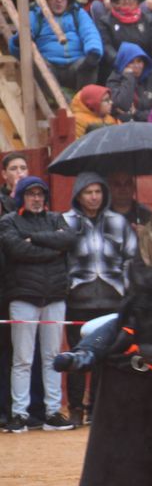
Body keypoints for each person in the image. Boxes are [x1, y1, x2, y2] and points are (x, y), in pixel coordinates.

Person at [60, 171, 138, 425]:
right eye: (88, 192)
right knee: (77, 354)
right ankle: (75, 409)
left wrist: (126, 288)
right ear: (78, 195)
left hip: (112, 299)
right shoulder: (65, 222)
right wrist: (67, 285)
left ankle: (97, 409)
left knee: (105, 356)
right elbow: (59, 259)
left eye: (98, 192)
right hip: (78, 299)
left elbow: (132, 257)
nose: (94, 197)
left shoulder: (118, 222)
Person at [0, 176, 76, 432]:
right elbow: (16, 250)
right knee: (22, 358)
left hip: (54, 295)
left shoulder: (56, 218)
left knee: (52, 356)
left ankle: (53, 412)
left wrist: (33, 238)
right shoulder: (9, 221)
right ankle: (19, 413)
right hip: (23, 296)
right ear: (22, 197)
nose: (36, 198)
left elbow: (69, 240)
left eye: (40, 194)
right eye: (31, 194)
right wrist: (52, 247)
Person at [9, 0, 99, 92]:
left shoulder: (77, 13)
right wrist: (18, 42)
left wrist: (93, 51)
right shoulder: (35, 15)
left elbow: (90, 32)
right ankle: (54, 99)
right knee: (38, 65)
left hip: (76, 64)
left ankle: (82, 100)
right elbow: (18, 46)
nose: (59, 0)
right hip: (49, 65)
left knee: (90, 64)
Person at [93, 0, 152, 86]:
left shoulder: (149, 20)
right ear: (115, 1)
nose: (127, 1)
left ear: (137, 0)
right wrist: (123, 63)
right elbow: (106, 47)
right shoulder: (105, 22)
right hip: (117, 70)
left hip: (145, 68)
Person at [106, 41, 152, 123]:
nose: (137, 66)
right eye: (131, 62)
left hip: (150, 124)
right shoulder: (114, 80)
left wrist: (137, 113)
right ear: (123, 63)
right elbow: (122, 105)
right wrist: (129, 77)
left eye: (139, 61)